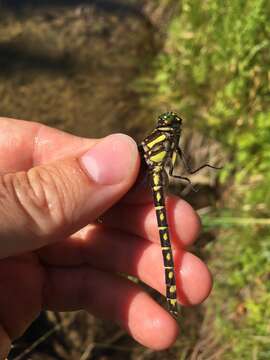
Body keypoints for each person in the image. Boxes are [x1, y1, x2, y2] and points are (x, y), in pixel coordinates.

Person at [0, 118, 212, 358]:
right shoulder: (167, 140)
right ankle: (172, 299)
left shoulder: (162, 140)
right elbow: (173, 169)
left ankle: (172, 300)